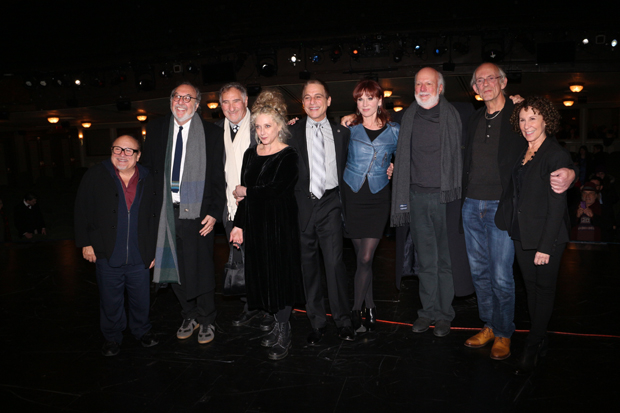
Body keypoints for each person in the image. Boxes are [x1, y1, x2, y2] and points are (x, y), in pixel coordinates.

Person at [462, 63, 575, 360]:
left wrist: (570, 172)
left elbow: (551, 150)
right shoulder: (473, 120)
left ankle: (503, 332)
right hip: (471, 206)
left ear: (503, 82)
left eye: (491, 78)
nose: (486, 83)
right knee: (480, 274)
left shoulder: (518, 115)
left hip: (503, 208)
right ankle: (489, 325)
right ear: (474, 89)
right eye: (479, 80)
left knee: (501, 276)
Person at [141, 82, 226, 345]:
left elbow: (218, 177)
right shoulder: (155, 129)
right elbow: (146, 173)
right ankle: (188, 314)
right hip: (165, 213)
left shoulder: (211, 133)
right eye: (176, 96)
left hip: (199, 214)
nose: (181, 101)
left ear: (197, 104)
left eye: (187, 97)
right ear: (170, 101)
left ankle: (207, 318)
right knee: (173, 268)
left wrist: (214, 212)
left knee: (200, 268)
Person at [229, 90, 304, 360]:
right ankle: (275, 323)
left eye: (267, 126)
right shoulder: (250, 153)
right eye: (258, 126)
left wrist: (246, 191)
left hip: (280, 225)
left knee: (280, 277)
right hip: (256, 226)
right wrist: (238, 225)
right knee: (262, 276)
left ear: (280, 126)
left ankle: (284, 330)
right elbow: (243, 197)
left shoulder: (289, 155)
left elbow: (274, 189)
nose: (262, 131)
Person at [501, 96, 572, 374]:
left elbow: (557, 208)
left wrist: (546, 246)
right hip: (522, 234)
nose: (527, 124)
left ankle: (534, 342)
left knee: (544, 290)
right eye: (522, 119)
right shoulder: (523, 151)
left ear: (546, 121)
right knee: (531, 289)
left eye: (533, 118)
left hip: (547, 238)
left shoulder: (555, 154)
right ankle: (538, 336)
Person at [391, 67, 462, 338]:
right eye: (418, 83)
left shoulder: (457, 115)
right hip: (416, 198)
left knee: (445, 260)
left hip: (446, 199)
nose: (422, 88)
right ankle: (427, 311)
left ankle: (445, 315)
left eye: (428, 84)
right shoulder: (405, 117)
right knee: (426, 260)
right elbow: (374, 120)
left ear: (440, 88)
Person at [74, 135, 159, 356]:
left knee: (142, 299)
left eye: (129, 150)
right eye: (118, 149)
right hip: (106, 251)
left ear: (138, 155)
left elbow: (156, 217)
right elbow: (81, 210)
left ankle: (142, 331)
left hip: (140, 253)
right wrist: (86, 243)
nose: (122, 154)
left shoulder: (149, 178)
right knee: (110, 300)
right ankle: (112, 337)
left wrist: (155, 250)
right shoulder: (95, 175)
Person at [288, 79, 355, 344]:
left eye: (318, 97)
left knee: (335, 263)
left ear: (328, 101)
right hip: (301, 206)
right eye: (307, 97)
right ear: (302, 102)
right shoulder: (289, 133)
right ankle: (317, 322)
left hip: (330, 203)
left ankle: (343, 320)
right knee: (308, 268)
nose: (313, 102)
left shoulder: (342, 133)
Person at [215, 83, 274, 331]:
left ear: (246, 100)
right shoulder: (216, 131)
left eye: (235, 101)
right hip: (231, 209)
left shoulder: (260, 126)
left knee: (264, 260)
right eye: (225, 102)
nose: (231, 107)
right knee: (241, 261)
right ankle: (250, 306)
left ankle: (270, 310)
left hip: (259, 206)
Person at [342, 79, 399, 332]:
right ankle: (371, 306)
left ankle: (355, 311)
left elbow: (406, 159)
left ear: (379, 100)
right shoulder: (348, 128)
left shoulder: (395, 130)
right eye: (360, 99)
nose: (364, 104)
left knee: (366, 257)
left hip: (378, 197)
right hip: (352, 195)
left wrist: (395, 167)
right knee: (361, 259)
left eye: (369, 98)